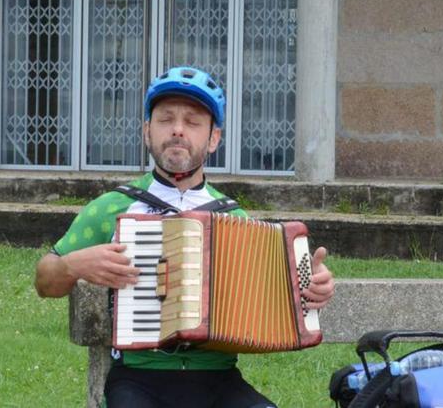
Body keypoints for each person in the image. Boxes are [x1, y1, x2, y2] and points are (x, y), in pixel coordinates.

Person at [34, 66, 335, 408]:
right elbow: (45, 281)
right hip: (138, 378)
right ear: (147, 130)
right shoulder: (113, 207)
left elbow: (279, 298)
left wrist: (311, 286)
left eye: (192, 122)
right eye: (165, 119)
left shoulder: (233, 218)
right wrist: (73, 265)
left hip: (218, 379)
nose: (177, 130)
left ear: (213, 138)